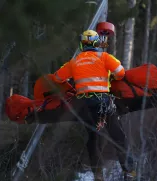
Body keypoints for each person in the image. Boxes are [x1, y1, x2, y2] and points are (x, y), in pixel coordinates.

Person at [53, 30, 134, 181]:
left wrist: (72, 81)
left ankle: (98, 175)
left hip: (84, 106)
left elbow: (57, 78)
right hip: (103, 103)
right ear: (97, 43)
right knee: (118, 136)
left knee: (93, 139)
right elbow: (121, 73)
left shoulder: (74, 61)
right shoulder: (104, 57)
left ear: (82, 44)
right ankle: (129, 172)